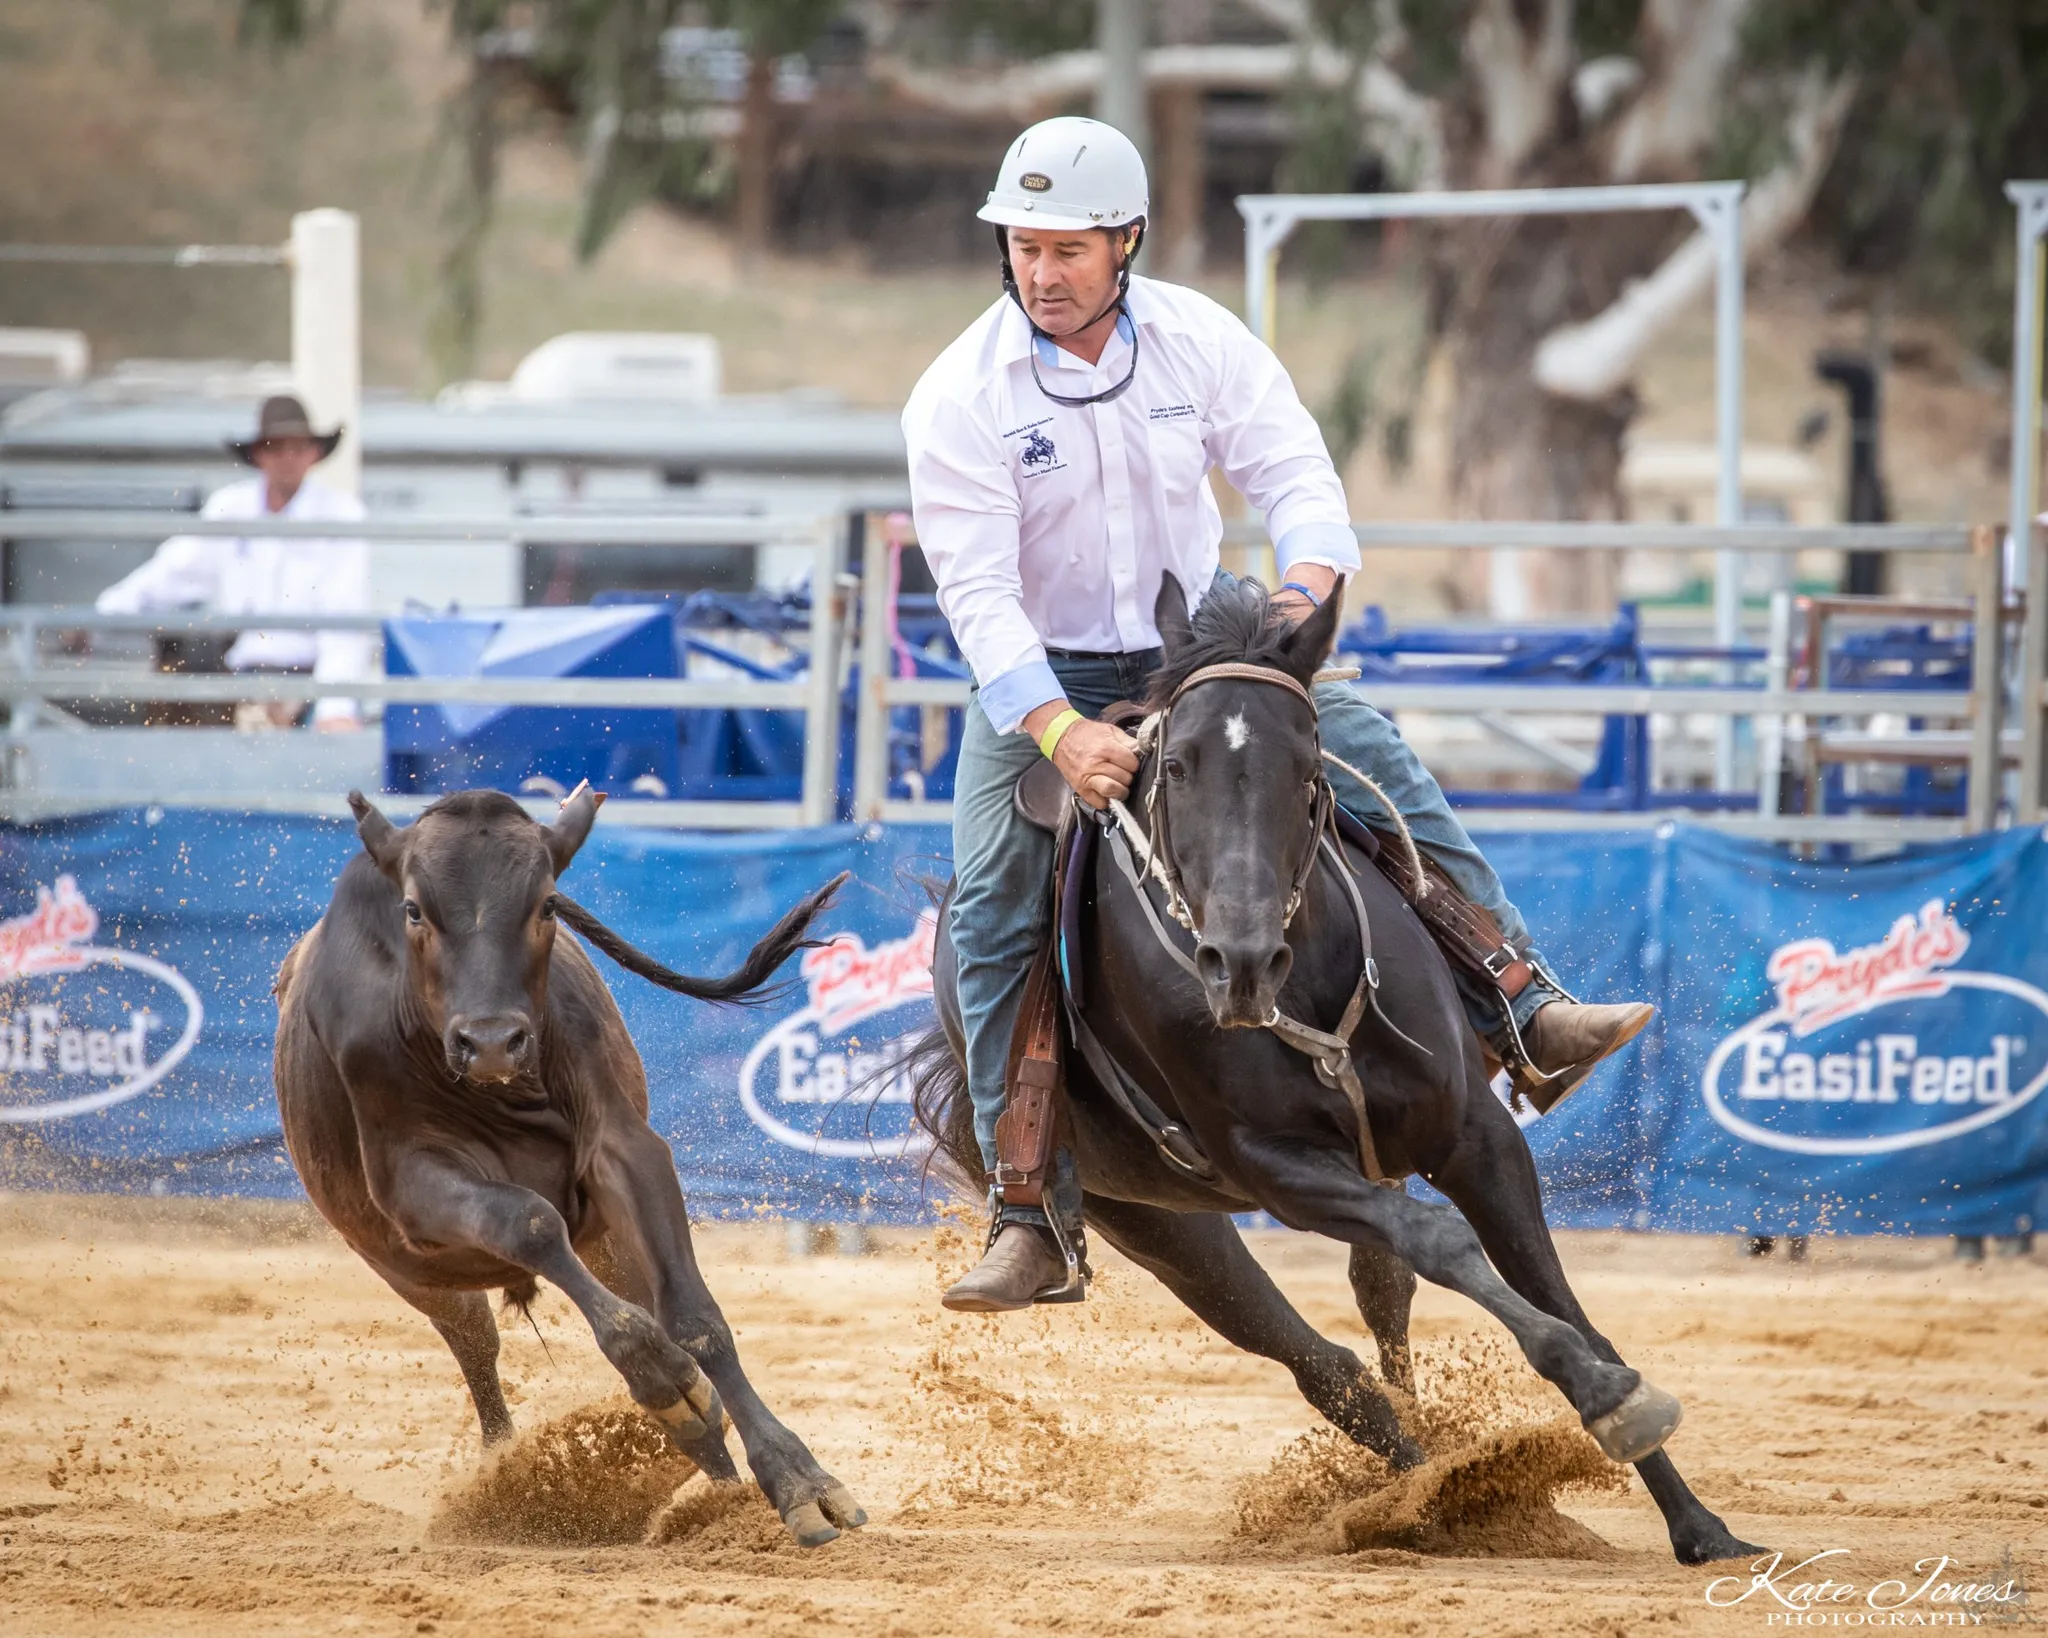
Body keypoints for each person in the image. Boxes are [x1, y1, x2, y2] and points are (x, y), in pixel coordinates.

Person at [903, 117, 1656, 1313]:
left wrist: (1303, 589)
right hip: (1040, 675)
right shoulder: (960, 394)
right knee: (991, 904)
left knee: (1373, 762)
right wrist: (1057, 731)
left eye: (1068, 249)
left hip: (1204, 644)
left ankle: (1520, 1000)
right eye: (1023, 246)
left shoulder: (1199, 341)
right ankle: (1027, 1200)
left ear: (1126, 242)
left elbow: (1294, 475)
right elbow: (976, 592)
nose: (1041, 273)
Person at [97, 394, 372, 730]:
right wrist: (103, 614)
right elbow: (173, 572)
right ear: (259, 454)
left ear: (314, 453)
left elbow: (344, 617)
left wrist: (335, 706)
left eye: (298, 448)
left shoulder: (340, 515)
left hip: (313, 680)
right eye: (277, 448)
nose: (289, 458)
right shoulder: (231, 507)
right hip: (245, 680)